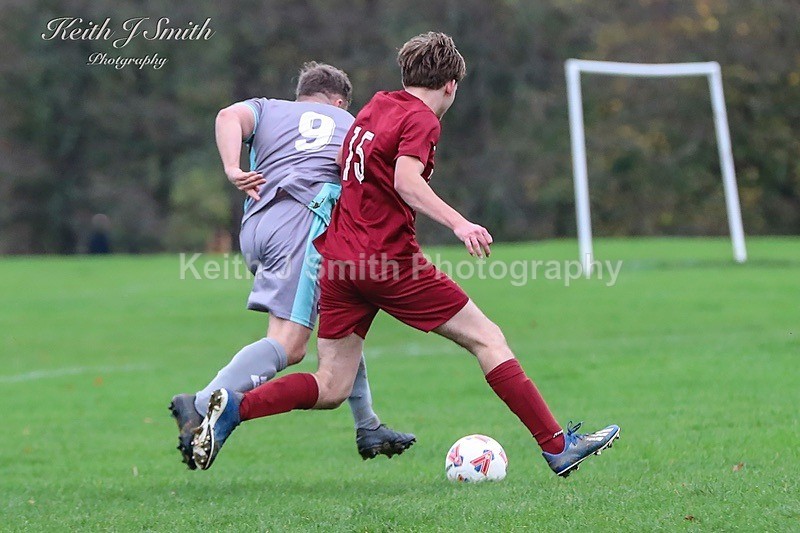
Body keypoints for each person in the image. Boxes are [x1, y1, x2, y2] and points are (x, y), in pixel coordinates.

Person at [192, 33, 619, 478]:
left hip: (338, 262)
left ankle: (234, 410)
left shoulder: (376, 105)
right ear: (451, 85)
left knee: (333, 385)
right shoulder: (422, 120)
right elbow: (406, 181)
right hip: (388, 263)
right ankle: (556, 446)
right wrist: (460, 222)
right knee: (488, 338)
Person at [169, 62, 415, 470]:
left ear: (302, 95)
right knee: (290, 343)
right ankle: (198, 403)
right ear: (339, 101)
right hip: (303, 224)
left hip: (257, 226)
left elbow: (227, 116)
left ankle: (367, 424)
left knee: (340, 312)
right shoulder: (351, 123)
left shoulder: (268, 108)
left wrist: (233, 168)